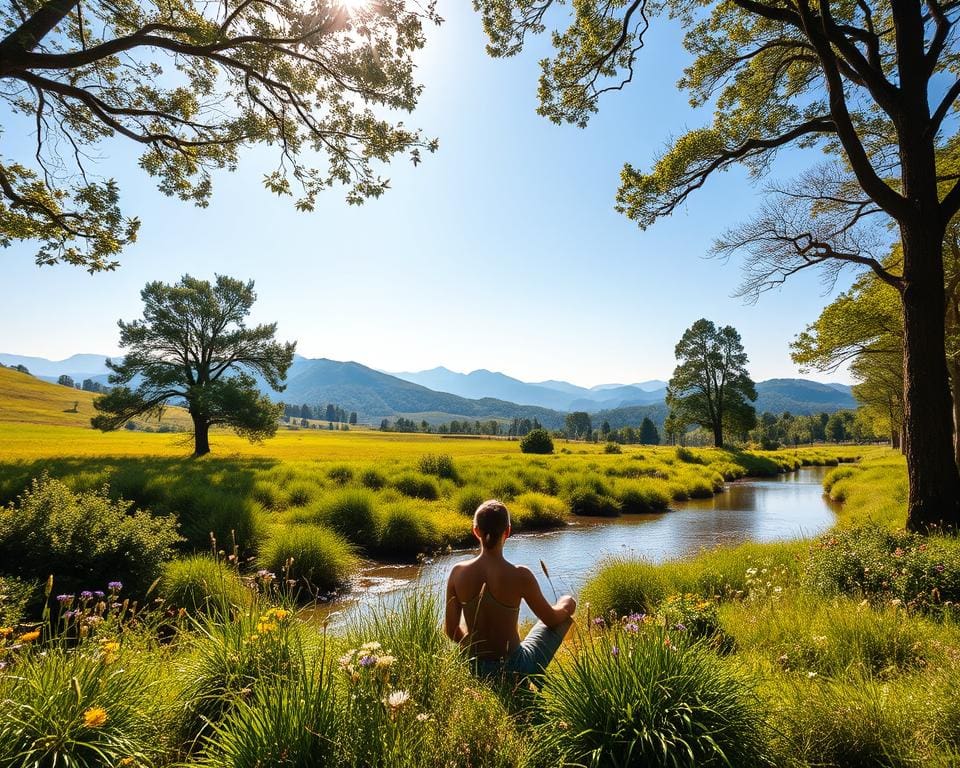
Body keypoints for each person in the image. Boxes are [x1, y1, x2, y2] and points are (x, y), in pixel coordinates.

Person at [444, 499, 576, 678]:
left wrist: (473, 651)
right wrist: (566, 605)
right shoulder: (521, 575)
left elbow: (451, 630)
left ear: (476, 531)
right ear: (508, 531)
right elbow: (551, 620)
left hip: (476, 667)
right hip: (516, 666)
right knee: (564, 606)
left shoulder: (457, 573)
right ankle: (531, 681)